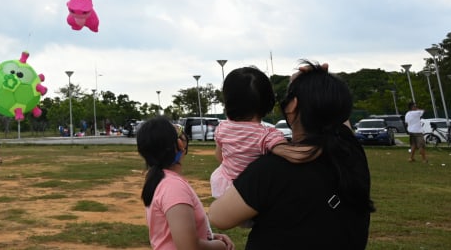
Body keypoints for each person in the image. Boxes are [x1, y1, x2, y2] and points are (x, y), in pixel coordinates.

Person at [209, 62, 375, 249]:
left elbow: (219, 217)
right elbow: (338, 115)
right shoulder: (350, 152)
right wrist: (323, 84)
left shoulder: (272, 169)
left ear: (293, 106)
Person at [211, 66, 310, 199]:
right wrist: (319, 147)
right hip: (251, 192)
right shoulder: (267, 135)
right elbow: (294, 154)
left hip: (225, 188)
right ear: (267, 101)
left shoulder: (222, 128)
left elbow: (219, 156)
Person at [136, 116, 234, 249]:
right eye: (177, 129)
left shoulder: (161, 180)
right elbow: (188, 247)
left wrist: (208, 237)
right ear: (180, 144)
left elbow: (175, 234)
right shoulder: (173, 187)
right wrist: (220, 246)